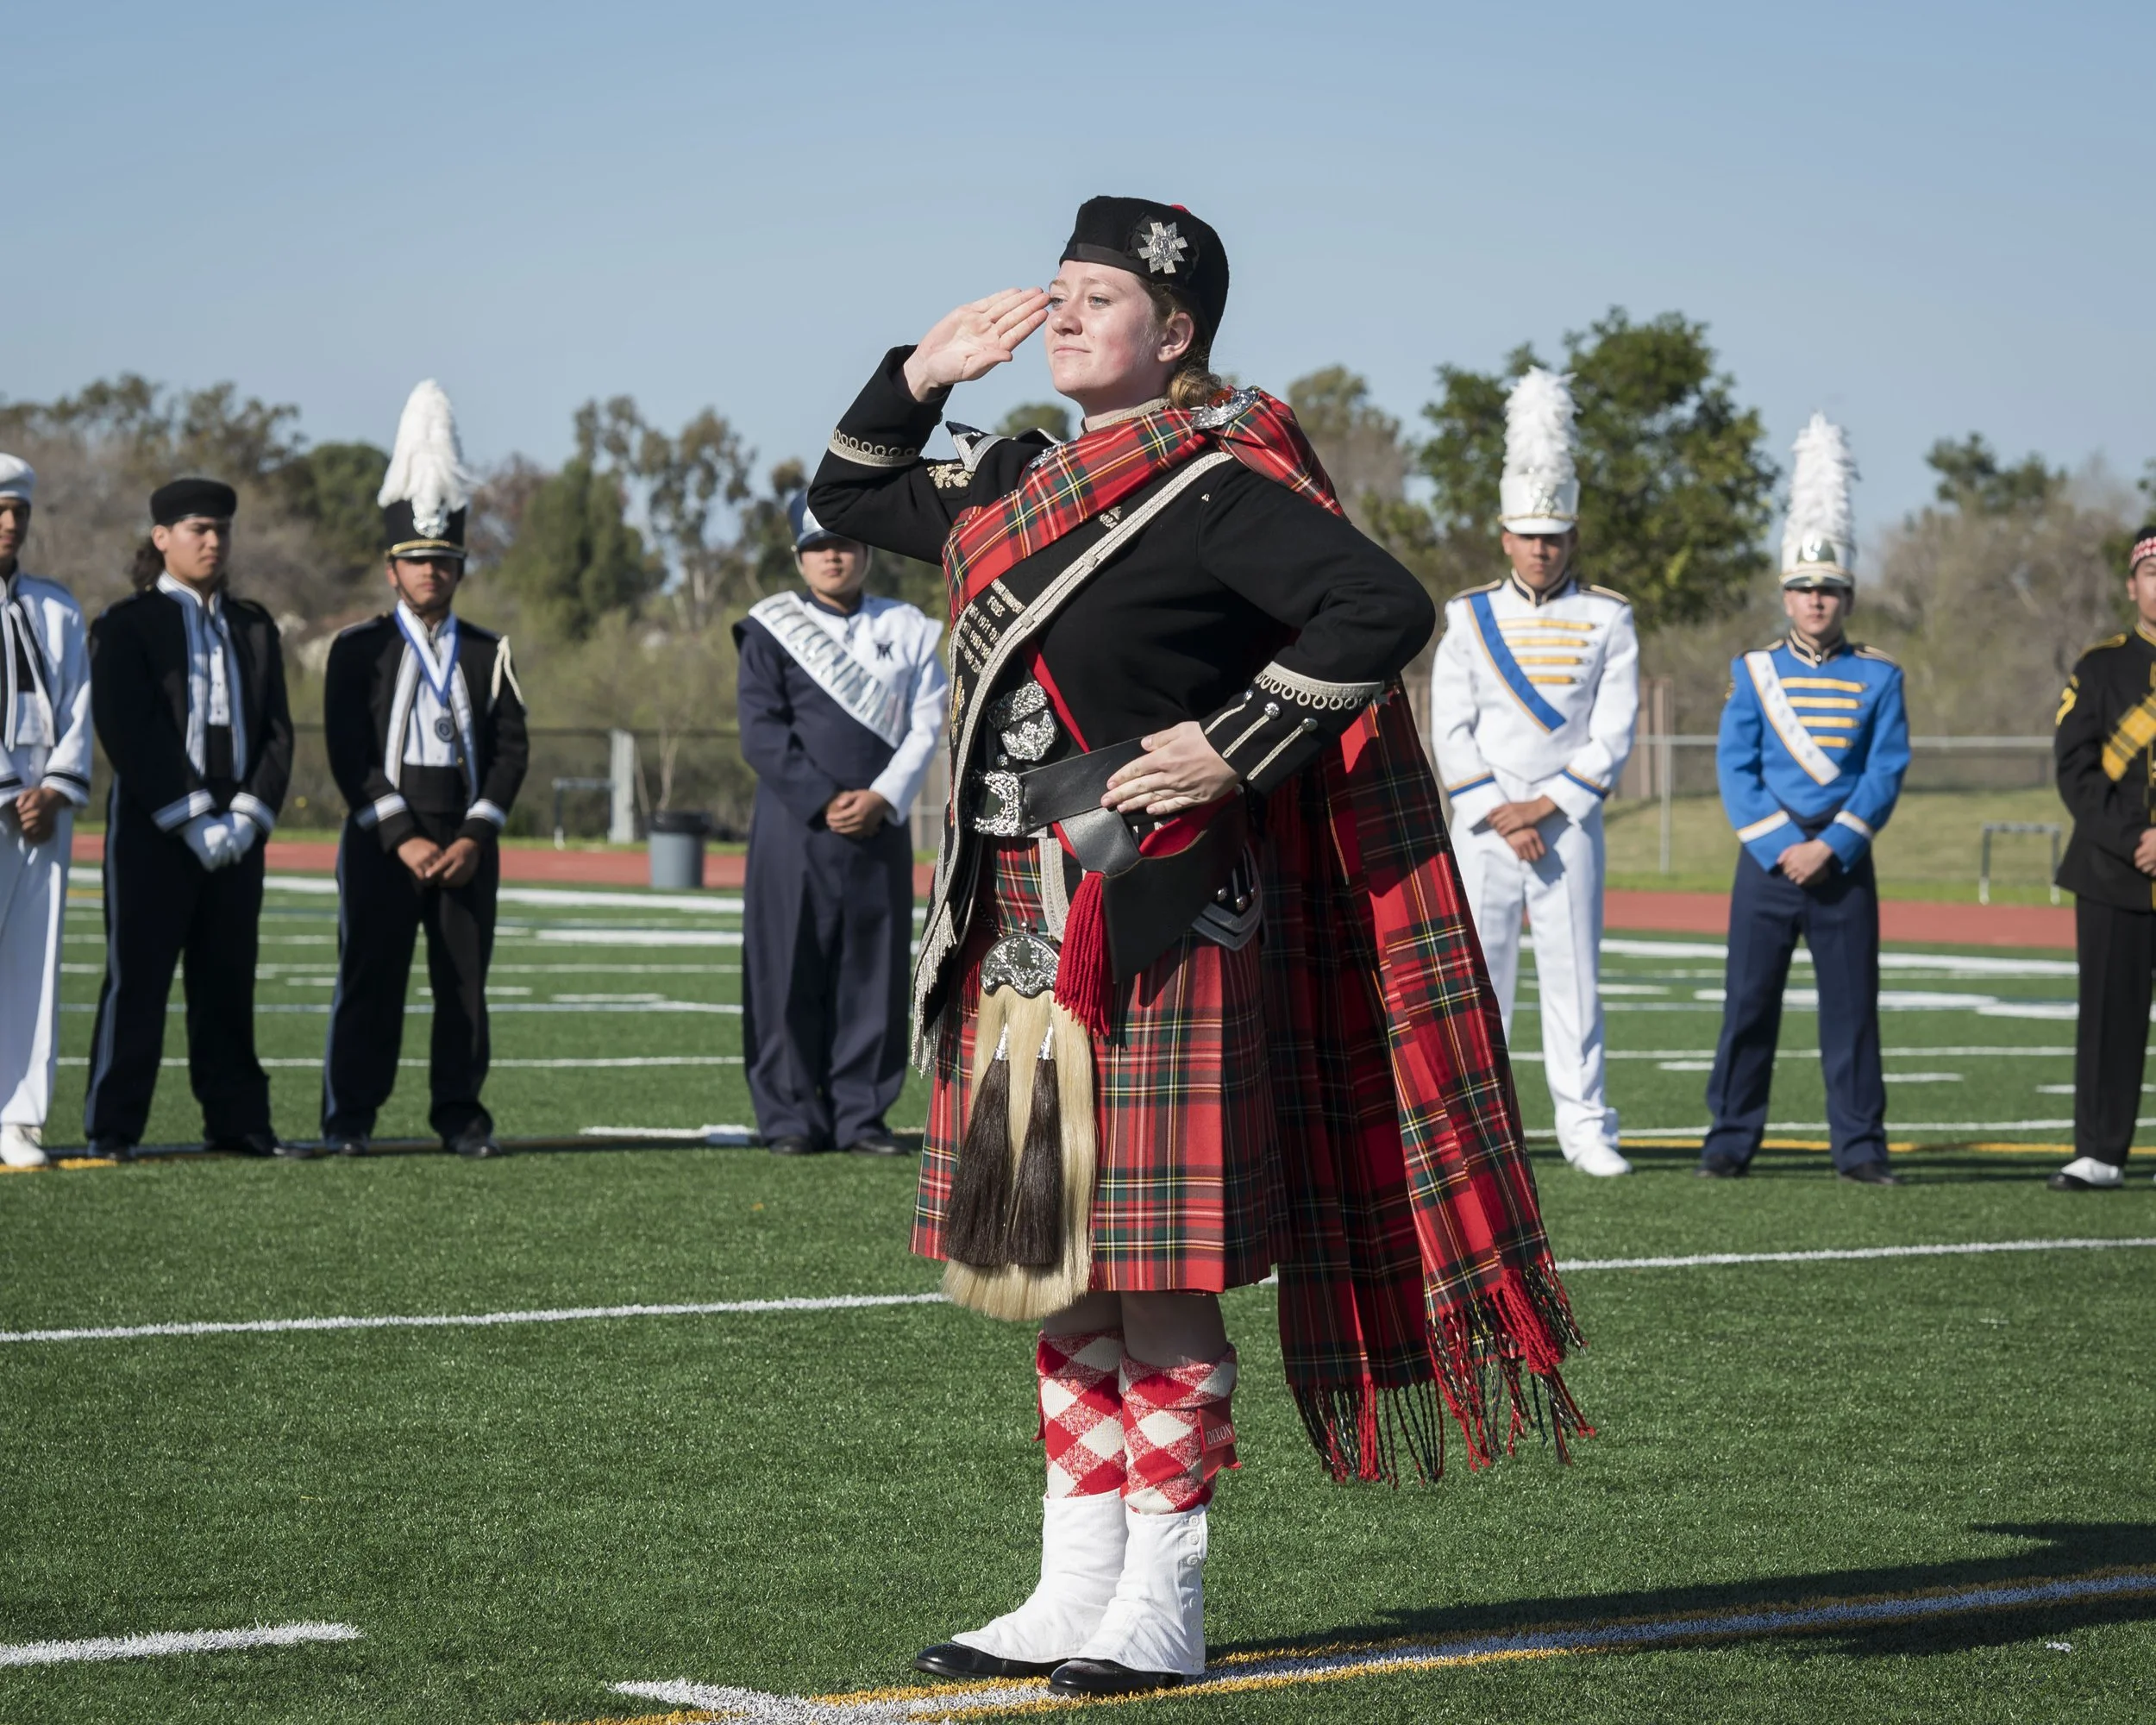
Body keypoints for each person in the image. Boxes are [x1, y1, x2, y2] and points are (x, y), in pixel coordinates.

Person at [809, 196, 1584, 1697]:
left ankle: (1161, 1599)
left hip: (1158, 909)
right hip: (1016, 915)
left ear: (1175, 335)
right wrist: (917, 375)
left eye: (1098, 298)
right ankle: (1071, 1585)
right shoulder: (1017, 474)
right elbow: (849, 496)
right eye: (1058, 290)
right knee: (1053, 1259)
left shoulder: (1216, 485)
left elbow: (1380, 606)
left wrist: (1235, 743)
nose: (1064, 314)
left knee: (1157, 1274)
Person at [1431, 369, 1639, 1178]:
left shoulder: (1609, 616)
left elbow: (1614, 728)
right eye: (1528, 535)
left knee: (1574, 977)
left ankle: (1585, 1126)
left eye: (1553, 536)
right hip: (1485, 824)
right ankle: (1481, 1129)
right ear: (1505, 536)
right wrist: (1498, 808)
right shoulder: (1467, 615)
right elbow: (1450, 727)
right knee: (1479, 980)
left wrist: (1546, 806)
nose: (1541, 548)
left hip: (1566, 822)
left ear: (1572, 537)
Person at [321, 381, 528, 1160]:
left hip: (465, 832)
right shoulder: (357, 649)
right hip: (384, 832)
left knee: (463, 986)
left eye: (443, 560)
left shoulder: (488, 651)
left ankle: (461, 1116)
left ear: (460, 567)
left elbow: (511, 748)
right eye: (416, 561)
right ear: (391, 569)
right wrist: (400, 834)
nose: (430, 572)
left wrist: (475, 835)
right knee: (370, 978)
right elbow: (347, 747)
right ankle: (349, 1117)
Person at [1698, 415, 1908, 1184]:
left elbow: (1885, 771)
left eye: (1829, 589)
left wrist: (1832, 845)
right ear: (1786, 596)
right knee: (1749, 1005)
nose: (1817, 601)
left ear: (1846, 597)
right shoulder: (1753, 672)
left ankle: (1860, 1147)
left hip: (1842, 862)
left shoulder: (1881, 676)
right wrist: (1784, 845)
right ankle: (1729, 1138)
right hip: (1769, 861)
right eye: (1804, 589)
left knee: (1852, 1012)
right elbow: (1735, 767)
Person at [85, 478, 297, 1160]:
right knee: (138, 978)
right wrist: (191, 816)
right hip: (155, 824)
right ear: (162, 538)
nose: (213, 541)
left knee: (228, 979)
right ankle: (114, 1127)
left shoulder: (254, 626)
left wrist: (248, 816)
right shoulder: (126, 624)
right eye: (199, 529)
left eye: (222, 530)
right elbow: (129, 727)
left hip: (238, 829)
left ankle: (238, 1120)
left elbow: (276, 732)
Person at [733, 492, 946, 1157]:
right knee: (785, 967)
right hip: (793, 827)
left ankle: (861, 1116)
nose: (832, 557)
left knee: (871, 971)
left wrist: (883, 796)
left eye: (844, 545)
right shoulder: (770, 627)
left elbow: (928, 722)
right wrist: (824, 799)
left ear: (866, 552)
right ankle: (789, 1117)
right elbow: (761, 731)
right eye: (818, 547)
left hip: (878, 827)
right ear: (799, 556)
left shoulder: (909, 627)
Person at [2048, 523, 2156, 1191]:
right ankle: (2100, 1152)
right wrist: (2135, 840)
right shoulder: (2099, 668)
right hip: (2114, 873)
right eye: (2153, 574)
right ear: (2132, 586)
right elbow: (2075, 770)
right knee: (2110, 1019)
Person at [0, 456, 92, 1170]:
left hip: (45, 808)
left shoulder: (56, 609)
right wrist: (8, 792)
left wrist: (53, 791)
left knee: (35, 963)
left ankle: (19, 1117)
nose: (10, 523)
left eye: (19, 512)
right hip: (8, 798)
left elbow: (78, 706)